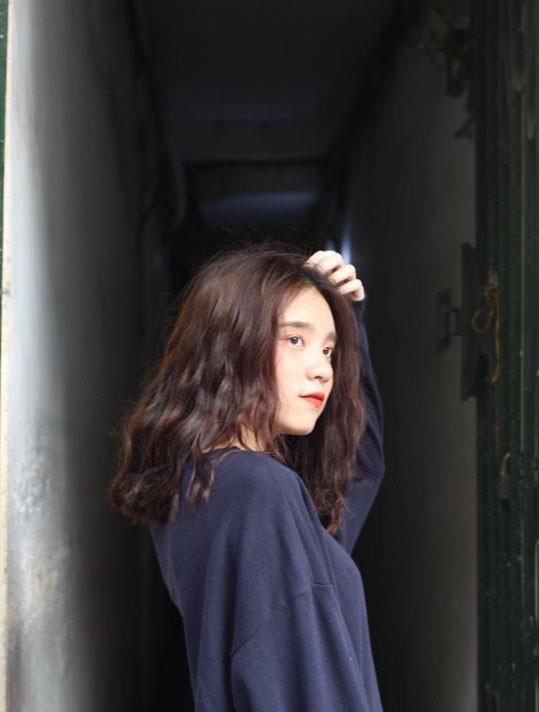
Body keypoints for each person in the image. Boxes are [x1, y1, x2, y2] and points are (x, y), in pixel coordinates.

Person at [108, 244, 385, 711]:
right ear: (231, 344)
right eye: (294, 340)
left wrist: (351, 324)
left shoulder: (201, 481)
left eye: (329, 350)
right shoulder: (260, 490)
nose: (323, 369)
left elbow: (356, 471)